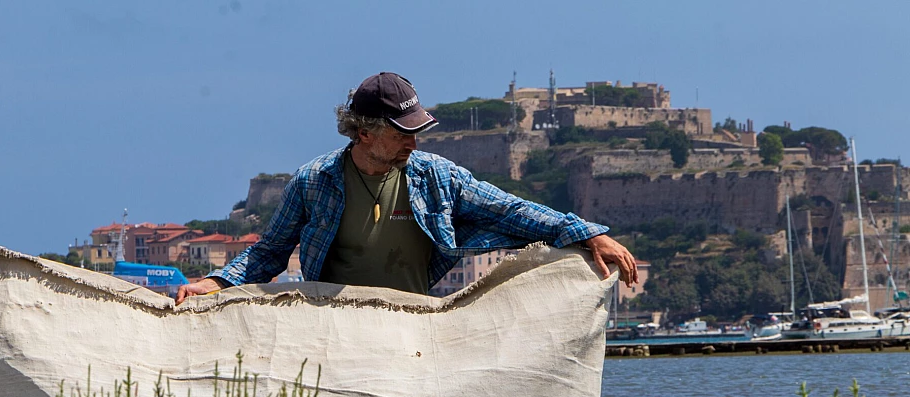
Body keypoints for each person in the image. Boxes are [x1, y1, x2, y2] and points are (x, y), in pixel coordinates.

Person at [176, 72, 637, 305]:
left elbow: (511, 211)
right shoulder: (314, 181)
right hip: (336, 327)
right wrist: (213, 282)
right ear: (363, 134)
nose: (414, 144)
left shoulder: (436, 176)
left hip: (417, 325)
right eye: (402, 134)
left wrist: (586, 232)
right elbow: (269, 252)